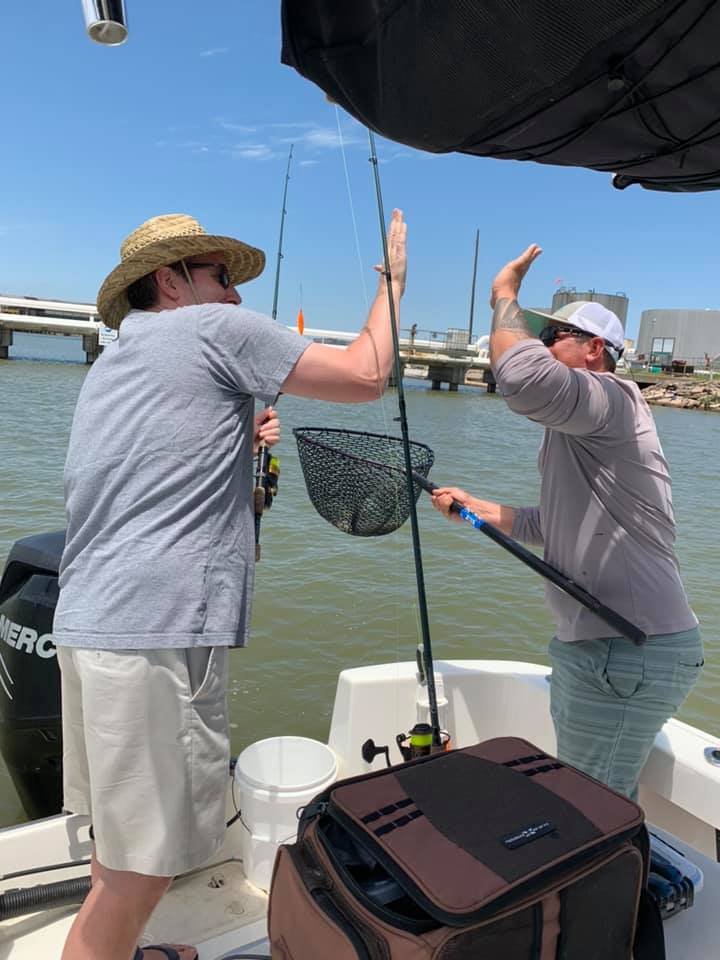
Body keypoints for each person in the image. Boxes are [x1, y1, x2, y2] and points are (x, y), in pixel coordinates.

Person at [53, 209, 407, 960]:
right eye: (221, 276)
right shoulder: (214, 330)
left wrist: (234, 434)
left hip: (89, 622)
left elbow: (141, 466)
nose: (236, 296)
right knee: (145, 868)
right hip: (157, 632)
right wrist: (394, 286)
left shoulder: (119, 358)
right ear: (170, 280)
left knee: (121, 846)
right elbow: (366, 376)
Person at [432, 244, 702, 803]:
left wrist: (504, 294)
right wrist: (476, 507)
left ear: (595, 349)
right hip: (606, 649)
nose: (541, 343)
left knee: (592, 807)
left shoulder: (615, 399)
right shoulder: (580, 432)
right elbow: (550, 525)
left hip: (625, 647)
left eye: (553, 336)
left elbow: (520, 379)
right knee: (595, 800)